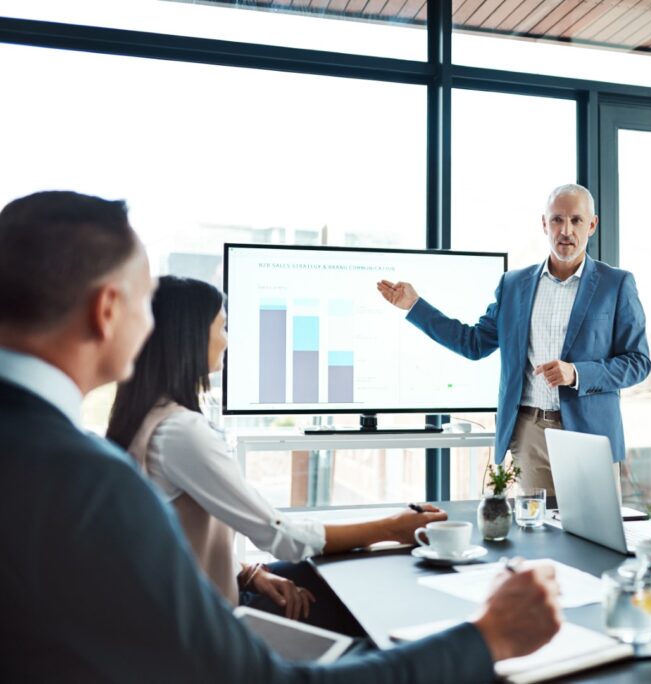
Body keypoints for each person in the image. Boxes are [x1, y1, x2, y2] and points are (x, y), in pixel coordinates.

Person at [0, 190, 561, 682]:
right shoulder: (93, 478)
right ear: (106, 311)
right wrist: (487, 638)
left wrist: (244, 571)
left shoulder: (63, 457)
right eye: (144, 301)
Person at [105, 275, 447, 631]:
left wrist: (247, 573)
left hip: (184, 601)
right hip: (200, 626)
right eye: (222, 327)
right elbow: (284, 538)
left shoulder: (146, 418)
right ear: (189, 337)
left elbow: (171, 539)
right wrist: (393, 527)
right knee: (369, 598)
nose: (226, 340)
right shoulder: (180, 433)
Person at [377, 184, 651, 496]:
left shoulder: (616, 284)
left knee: (596, 538)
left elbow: (638, 362)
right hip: (530, 432)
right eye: (557, 220)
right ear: (544, 224)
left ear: (592, 225)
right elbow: (474, 343)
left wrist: (577, 373)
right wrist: (415, 306)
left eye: (576, 220)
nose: (566, 230)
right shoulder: (513, 285)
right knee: (542, 536)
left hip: (591, 433)